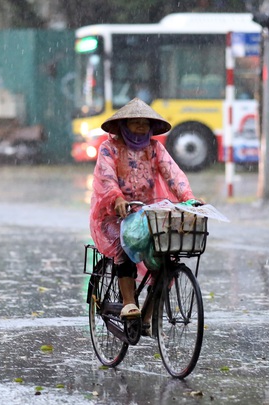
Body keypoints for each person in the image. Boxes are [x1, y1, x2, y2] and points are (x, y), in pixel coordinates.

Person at [89, 98, 203, 324]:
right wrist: (117, 198)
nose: (141, 127)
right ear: (124, 124)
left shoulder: (154, 149)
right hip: (115, 215)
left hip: (148, 213)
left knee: (165, 257)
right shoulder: (109, 148)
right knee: (125, 246)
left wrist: (188, 198)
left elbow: (173, 173)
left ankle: (147, 318)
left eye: (145, 123)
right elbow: (106, 177)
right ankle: (129, 302)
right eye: (136, 122)